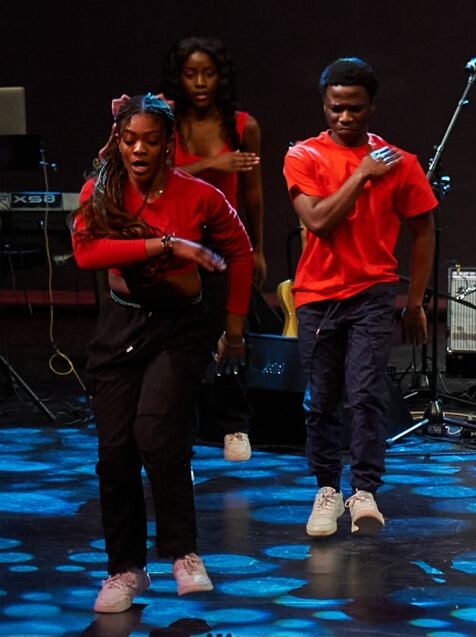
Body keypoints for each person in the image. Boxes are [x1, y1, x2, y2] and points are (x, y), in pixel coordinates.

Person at [71, 94, 253, 612]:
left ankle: (183, 553)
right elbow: (87, 252)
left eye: (150, 140)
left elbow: (238, 251)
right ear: (118, 142)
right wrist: (167, 245)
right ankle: (125, 569)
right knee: (114, 454)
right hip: (121, 325)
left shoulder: (199, 196)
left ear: (168, 144)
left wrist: (235, 329)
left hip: (181, 327)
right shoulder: (101, 193)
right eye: (130, 140)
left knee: (156, 433)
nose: (139, 150)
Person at [283, 58, 436, 537]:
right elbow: (318, 221)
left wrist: (413, 302)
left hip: (373, 292)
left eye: (354, 108)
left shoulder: (402, 163)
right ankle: (327, 489)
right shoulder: (303, 156)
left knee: (366, 393)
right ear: (324, 106)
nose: (344, 118)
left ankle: (364, 489)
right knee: (321, 400)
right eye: (335, 108)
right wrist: (361, 174)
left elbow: (424, 229)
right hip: (317, 295)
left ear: (371, 108)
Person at [159, 36, 265, 462]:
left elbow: (253, 194)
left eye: (209, 73)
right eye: (191, 74)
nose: (200, 82)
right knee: (177, 334)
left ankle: (233, 425)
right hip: (176, 240)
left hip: (225, 239)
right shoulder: (164, 119)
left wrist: (257, 249)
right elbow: (155, 172)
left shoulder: (242, 125)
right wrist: (211, 165)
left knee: (231, 333)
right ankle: (181, 426)